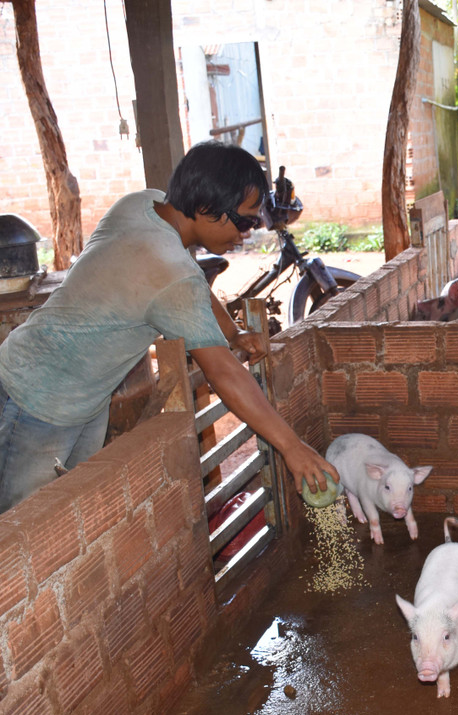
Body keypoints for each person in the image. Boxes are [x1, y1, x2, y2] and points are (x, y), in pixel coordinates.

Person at [0, 140, 338, 513]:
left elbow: (186, 274)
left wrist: (232, 334)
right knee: (21, 522)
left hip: (82, 395)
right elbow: (224, 372)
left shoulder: (144, 205)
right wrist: (292, 447)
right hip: (35, 397)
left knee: (67, 512)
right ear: (206, 207)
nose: (246, 233)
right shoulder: (169, 273)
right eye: (244, 221)